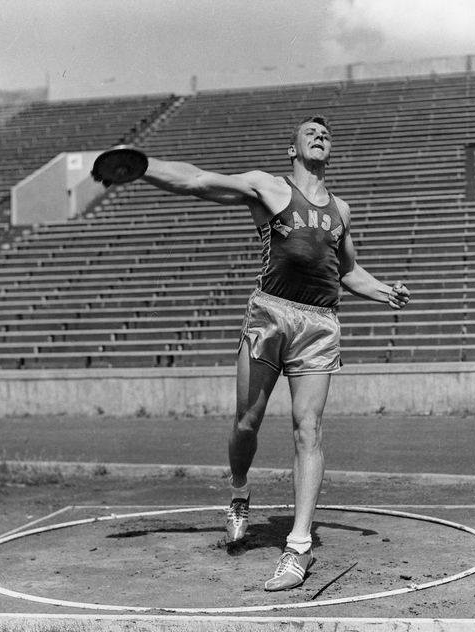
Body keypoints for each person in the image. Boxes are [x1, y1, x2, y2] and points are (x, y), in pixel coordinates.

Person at [138, 115, 410, 591]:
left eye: (327, 132)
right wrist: (141, 165)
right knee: (247, 421)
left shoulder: (341, 210)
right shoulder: (268, 187)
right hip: (270, 315)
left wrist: (383, 290)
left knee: (309, 428)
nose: (321, 135)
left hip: (319, 324)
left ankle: (298, 546)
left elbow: (345, 269)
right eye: (311, 131)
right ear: (292, 149)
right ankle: (240, 494)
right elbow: (200, 181)